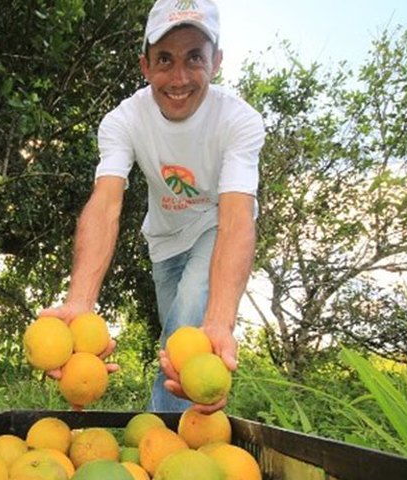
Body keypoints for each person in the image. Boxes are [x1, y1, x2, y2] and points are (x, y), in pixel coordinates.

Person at [41, 0, 265, 413]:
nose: (179, 78)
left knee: (191, 322)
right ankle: (191, 431)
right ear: (145, 66)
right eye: (165, 59)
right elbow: (106, 203)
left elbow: (235, 218)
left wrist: (220, 321)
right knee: (175, 347)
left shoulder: (239, 121)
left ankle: (163, 436)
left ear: (215, 62)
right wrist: (79, 302)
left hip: (214, 225)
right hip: (163, 242)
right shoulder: (123, 121)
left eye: (194, 57)